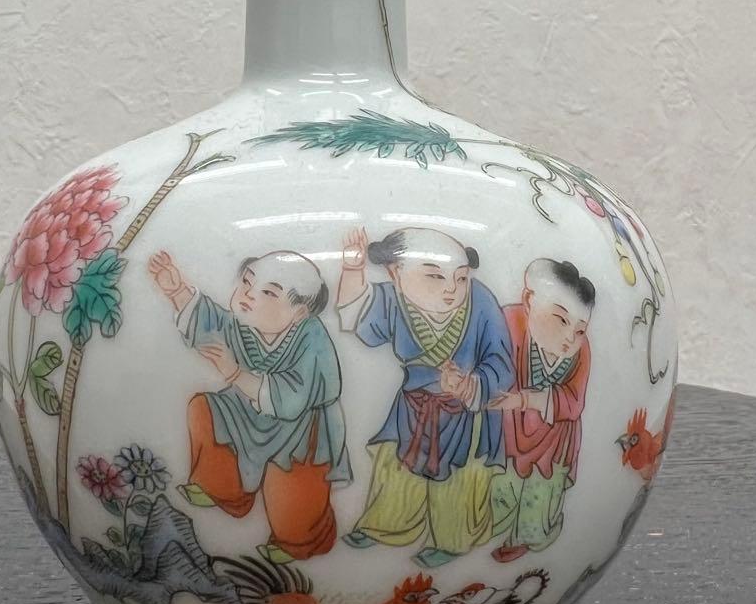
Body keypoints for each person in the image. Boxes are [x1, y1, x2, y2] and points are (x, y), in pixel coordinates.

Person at [148, 249, 351, 564]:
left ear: (299, 312)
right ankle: (223, 490)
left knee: (294, 497)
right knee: (205, 410)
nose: (248, 294)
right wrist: (178, 292)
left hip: (299, 431)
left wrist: (235, 374)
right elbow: (212, 323)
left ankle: (300, 541)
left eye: (268, 293)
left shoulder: (313, 340)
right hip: (245, 412)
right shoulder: (242, 323)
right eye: (247, 282)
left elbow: (293, 400)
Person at [336, 227, 514, 568]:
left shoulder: (481, 302)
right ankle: (386, 527)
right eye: (434, 276)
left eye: (460, 278)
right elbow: (355, 317)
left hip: (465, 415)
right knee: (397, 468)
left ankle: (453, 542)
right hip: (413, 407)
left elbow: (501, 364)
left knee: (458, 479)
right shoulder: (392, 298)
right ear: (395, 273)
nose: (451, 289)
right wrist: (353, 270)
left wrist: (467, 385)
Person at [487, 259, 594, 562]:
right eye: (561, 320)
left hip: (554, 437)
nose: (570, 339)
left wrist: (525, 401)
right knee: (502, 485)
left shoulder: (581, 353)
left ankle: (530, 537)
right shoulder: (507, 322)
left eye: (580, 330)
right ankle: (496, 531)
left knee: (541, 489)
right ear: (529, 300)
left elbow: (574, 402)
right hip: (509, 429)